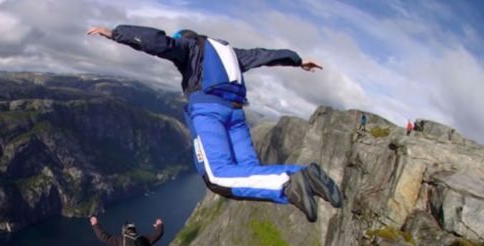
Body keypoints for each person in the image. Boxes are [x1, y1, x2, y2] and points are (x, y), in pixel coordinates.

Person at [87, 25, 342, 222]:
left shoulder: (189, 45)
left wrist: (116, 34)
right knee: (248, 175)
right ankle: (307, 179)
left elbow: (160, 43)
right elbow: (264, 55)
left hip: (209, 112)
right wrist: (296, 60)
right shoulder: (230, 52)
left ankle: (293, 179)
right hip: (237, 115)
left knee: (217, 177)